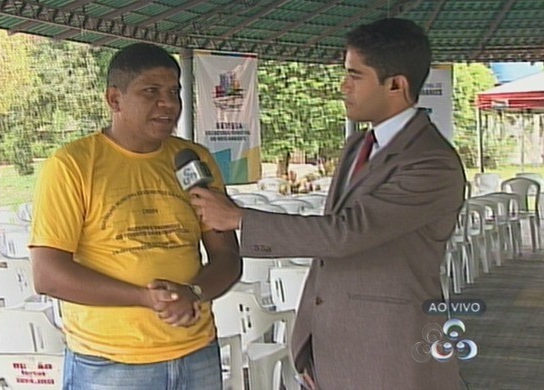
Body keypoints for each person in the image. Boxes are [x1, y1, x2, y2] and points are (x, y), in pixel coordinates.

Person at [190, 18, 466, 390]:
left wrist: (239, 218)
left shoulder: (431, 163)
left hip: (389, 349)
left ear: (396, 85)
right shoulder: (358, 146)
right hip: (328, 342)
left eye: (355, 75)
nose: (343, 87)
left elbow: (345, 233)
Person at [29, 43, 241, 390]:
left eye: (174, 92)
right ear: (115, 100)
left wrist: (195, 291)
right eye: (151, 92)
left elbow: (228, 256)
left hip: (196, 353)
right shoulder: (72, 165)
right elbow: (48, 275)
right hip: (110, 364)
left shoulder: (193, 160)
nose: (169, 104)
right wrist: (145, 298)